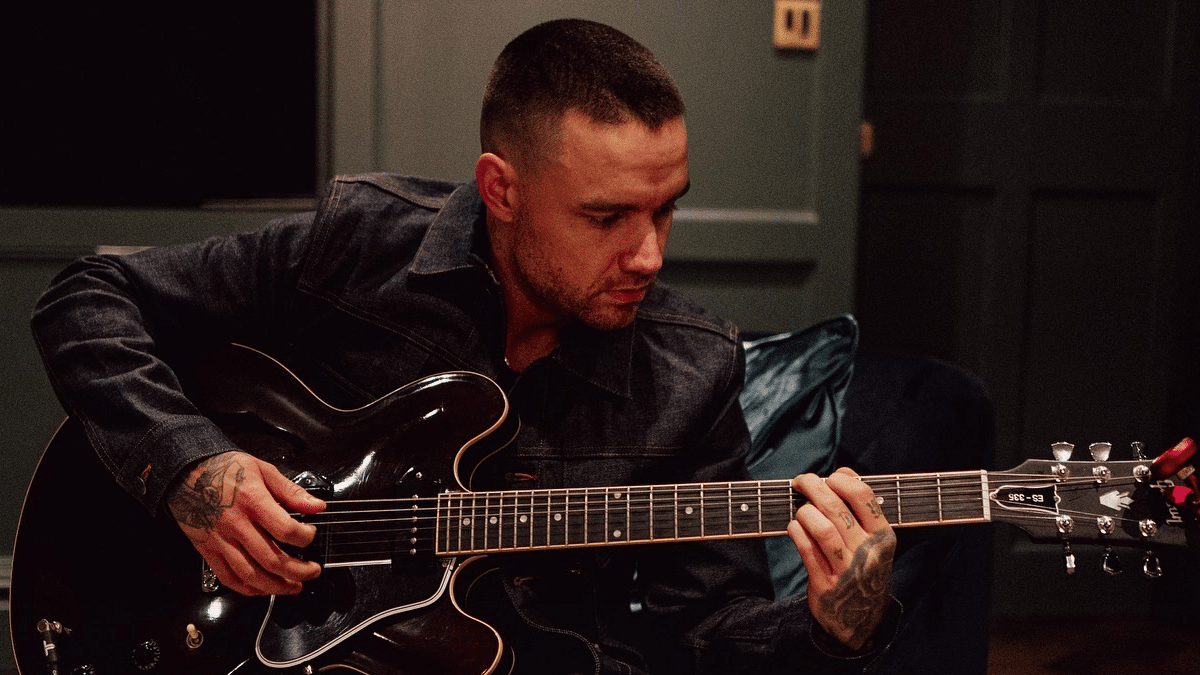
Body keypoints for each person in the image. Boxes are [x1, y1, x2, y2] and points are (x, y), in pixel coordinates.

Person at [31, 18, 898, 674]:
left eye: (665, 208)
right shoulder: (360, 244)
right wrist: (190, 468)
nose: (649, 255)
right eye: (607, 217)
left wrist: (835, 627)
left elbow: (702, 632)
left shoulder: (692, 371)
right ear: (501, 190)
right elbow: (88, 296)